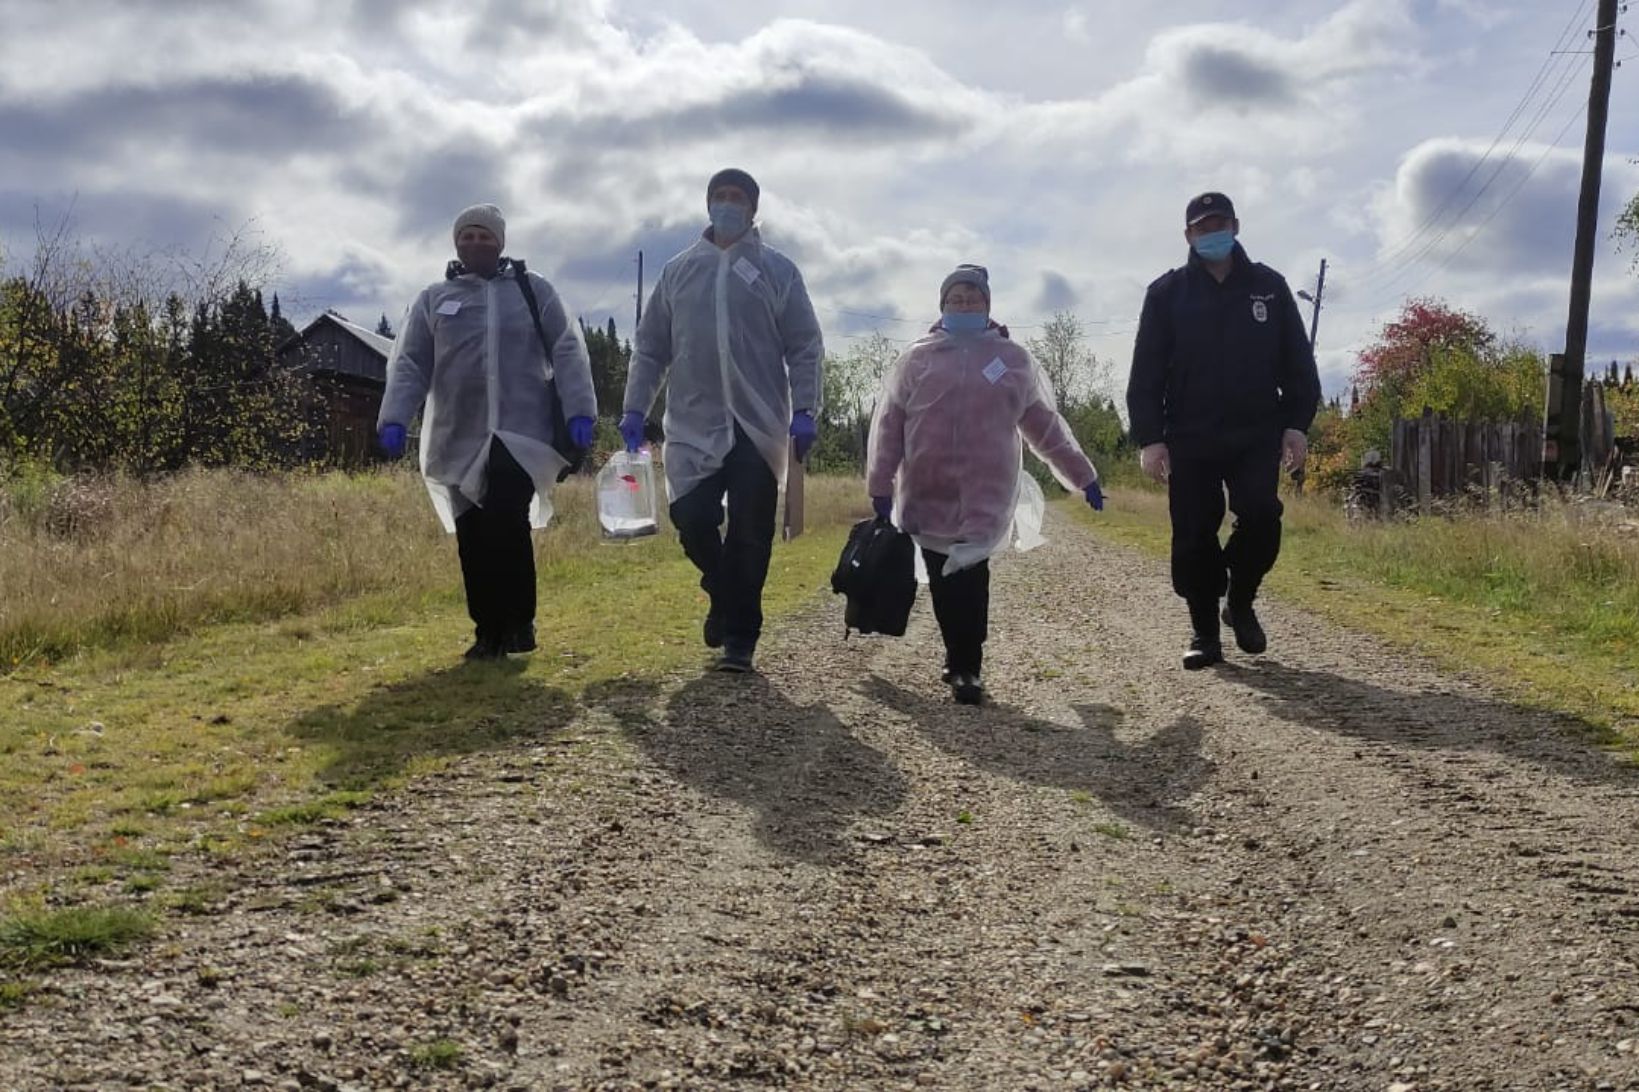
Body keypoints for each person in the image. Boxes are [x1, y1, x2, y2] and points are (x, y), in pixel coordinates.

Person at [866, 264, 1104, 705]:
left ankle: (967, 666)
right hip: (927, 486)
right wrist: (880, 482)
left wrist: (1082, 475)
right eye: (955, 299)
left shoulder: (1011, 361)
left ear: (987, 305)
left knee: (972, 575)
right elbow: (890, 426)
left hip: (985, 493)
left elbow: (1044, 427)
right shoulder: (918, 359)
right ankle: (955, 654)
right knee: (941, 578)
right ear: (942, 307)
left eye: (972, 299)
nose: (964, 305)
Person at [619, 168, 824, 673]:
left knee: (751, 531)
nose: (727, 204)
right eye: (719, 196)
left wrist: (805, 409)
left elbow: (804, 344)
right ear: (707, 204)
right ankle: (724, 592)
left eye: (737, 198)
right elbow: (650, 349)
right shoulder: (679, 271)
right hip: (692, 421)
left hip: (758, 423)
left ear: (754, 209)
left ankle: (740, 638)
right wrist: (633, 407)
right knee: (691, 518)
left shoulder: (778, 271)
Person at [377, 203, 597, 660]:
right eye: (467, 236)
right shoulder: (434, 300)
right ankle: (486, 631)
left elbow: (568, 349)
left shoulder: (533, 292)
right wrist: (395, 417)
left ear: (501, 242)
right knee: (472, 532)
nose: (476, 243)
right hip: (456, 436)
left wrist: (581, 410)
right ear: (456, 243)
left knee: (506, 518)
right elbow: (410, 363)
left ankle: (518, 623)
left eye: (485, 236)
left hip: (519, 434)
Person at [1125, 192, 1321, 670]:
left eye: (1219, 224)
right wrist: (1150, 438)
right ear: (1188, 235)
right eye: (1200, 227)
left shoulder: (1269, 288)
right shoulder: (1167, 294)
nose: (1210, 233)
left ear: (1234, 226)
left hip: (1256, 431)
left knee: (1261, 516)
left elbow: (1297, 362)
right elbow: (1146, 371)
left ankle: (1240, 599)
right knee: (1193, 532)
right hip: (1188, 434)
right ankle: (1204, 632)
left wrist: (1296, 423)